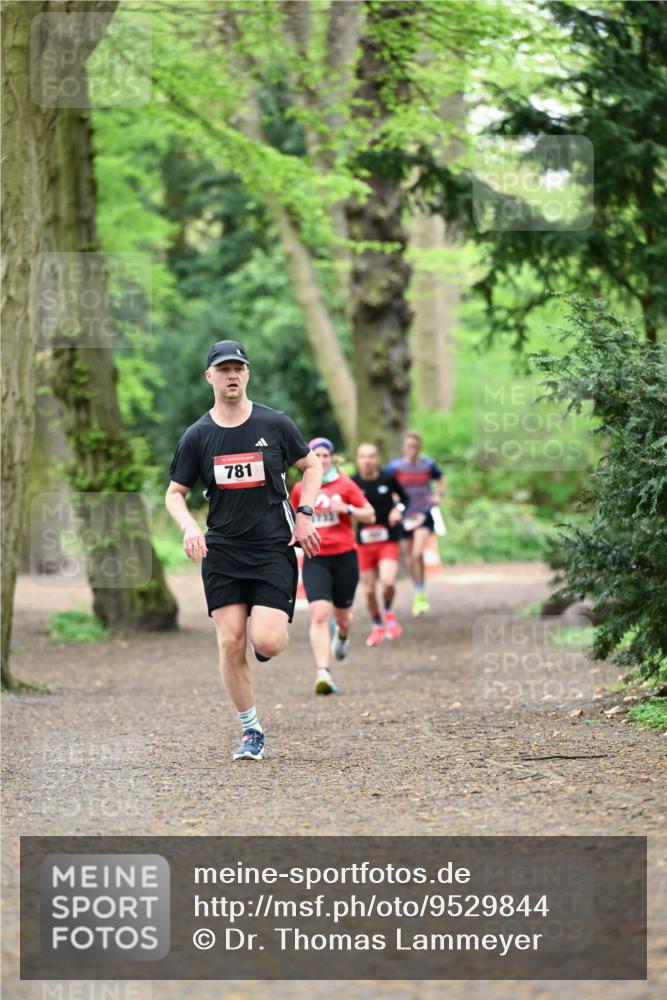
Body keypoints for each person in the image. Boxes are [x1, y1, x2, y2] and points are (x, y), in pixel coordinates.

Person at [165, 340, 322, 761]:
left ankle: (262, 640)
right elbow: (175, 493)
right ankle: (251, 731)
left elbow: (312, 466)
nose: (231, 375)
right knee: (230, 642)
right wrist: (188, 526)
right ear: (210, 376)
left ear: (247, 374)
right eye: (223, 369)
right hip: (224, 551)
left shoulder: (276, 424)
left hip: (273, 546)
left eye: (238, 368)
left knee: (267, 642)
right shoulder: (198, 436)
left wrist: (305, 513)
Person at [290, 438, 374, 695]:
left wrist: (347, 508)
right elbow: (293, 520)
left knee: (343, 617)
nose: (322, 459)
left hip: (345, 557)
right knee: (318, 615)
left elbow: (370, 514)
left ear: (332, 458)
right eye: (316, 454)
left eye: (326, 455)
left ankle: (343, 635)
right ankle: (323, 673)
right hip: (316, 558)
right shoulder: (299, 489)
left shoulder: (345, 485)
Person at [352, 443, 410, 646]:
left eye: (371, 456)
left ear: (377, 459)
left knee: (387, 581)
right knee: (368, 590)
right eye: (363, 456)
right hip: (365, 543)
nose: (367, 461)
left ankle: (388, 612)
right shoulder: (353, 482)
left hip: (388, 539)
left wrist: (398, 510)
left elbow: (405, 499)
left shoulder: (388, 478)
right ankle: (377, 625)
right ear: (357, 459)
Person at [385, 430, 444, 617]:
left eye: (416, 446)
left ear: (419, 448)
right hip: (405, 515)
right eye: (409, 446)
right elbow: (386, 484)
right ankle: (419, 591)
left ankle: (420, 591)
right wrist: (393, 500)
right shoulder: (394, 467)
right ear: (404, 447)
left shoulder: (428, 464)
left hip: (424, 512)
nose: (412, 450)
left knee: (418, 552)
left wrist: (438, 495)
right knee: (411, 557)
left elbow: (440, 479)